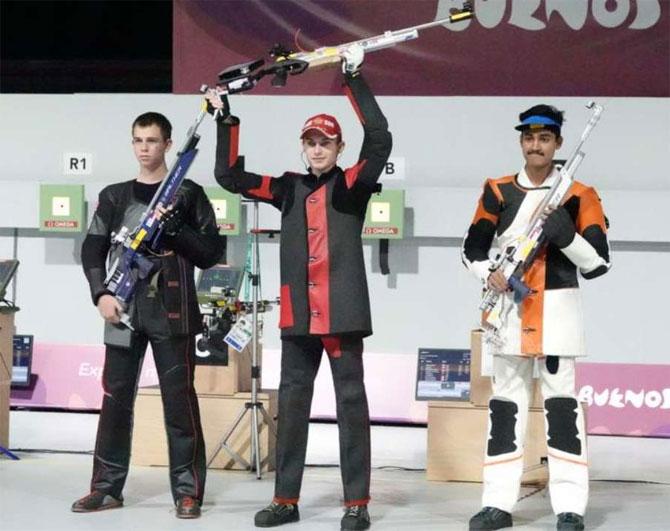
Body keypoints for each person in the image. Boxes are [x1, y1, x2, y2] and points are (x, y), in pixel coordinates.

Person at [208, 45, 391, 530]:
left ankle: (357, 504)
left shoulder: (353, 185)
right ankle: (285, 500)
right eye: (310, 141)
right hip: (298, 319)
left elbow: (381, 139)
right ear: (302, 146)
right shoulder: (286, 187)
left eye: (325, 142)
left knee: (352, 407)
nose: (316, 148)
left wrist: (353, 77)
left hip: (342, 314)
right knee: (292, 409)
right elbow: (228, 175)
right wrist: (224, 116)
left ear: (338, 148)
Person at [462, 105, 611, 531]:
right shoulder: (498, 190)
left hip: (559, 319)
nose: (536, 145)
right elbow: (471, 247)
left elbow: (599, 263)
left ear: (558, 143)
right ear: (521, 141)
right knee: (504, 413)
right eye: (529, 137)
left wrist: (567, 236)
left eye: (545, 138)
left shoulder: (580, 194)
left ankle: (570, 506)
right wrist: (489, 273)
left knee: (563, 414)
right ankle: (497, 503)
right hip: (508, 317)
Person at [72, 112, 225, 519]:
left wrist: (177, 232)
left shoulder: (188, 194)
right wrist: (100, 293)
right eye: (138, 140)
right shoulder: (115, 195)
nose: (145, 147)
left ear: (168, 145)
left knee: (180, 403)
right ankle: (106, 488)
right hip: (122, 311)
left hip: (173, 314)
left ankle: (188, 492)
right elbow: (92, 246)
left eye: (153, 140)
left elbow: (212, 253)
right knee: (114, 401)